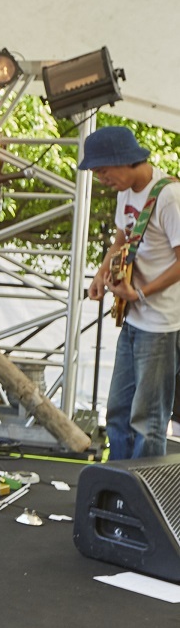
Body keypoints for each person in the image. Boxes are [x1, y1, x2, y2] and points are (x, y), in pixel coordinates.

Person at [82, 125, 180, 459]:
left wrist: (140, 293)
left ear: (123, 160)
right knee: (118, 413)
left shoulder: (169, 196)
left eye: (102, 170)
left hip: (161, 324)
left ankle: (142, 498)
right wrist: (100, 273)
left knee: (147, 420)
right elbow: (123, 239)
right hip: (135, 319)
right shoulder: (126, 193)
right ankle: (115, 488)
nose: (100, 178)